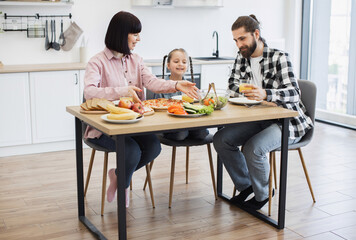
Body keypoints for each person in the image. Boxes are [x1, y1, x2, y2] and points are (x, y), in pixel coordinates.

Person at [83, 11, 199, 207]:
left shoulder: (136, 59)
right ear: (121, 34)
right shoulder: (97, 62)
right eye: (135, 34)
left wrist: (176, 85)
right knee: (132, 152)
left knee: (154, 147)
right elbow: (89, 92)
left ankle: (119, 176)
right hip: (106, 127)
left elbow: (151, 82)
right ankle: (124, 189)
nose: (138, 39)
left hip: (135, 124)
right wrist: (123, 91)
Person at [213, 15, 313, 210]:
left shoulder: (279, 57)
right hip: (258, 117)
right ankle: (248, 186)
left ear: (256, 34)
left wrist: (266, 94)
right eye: (235, 40)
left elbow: (294, 93)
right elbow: (232, 85)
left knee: (253, 148)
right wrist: (248, 93)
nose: (238, 44)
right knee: (221, 139)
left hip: (286, 121)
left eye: (242, 39)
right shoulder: (242, 58)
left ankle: (264, 194)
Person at [152, 48, 209, 141]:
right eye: (176, 61)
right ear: (168, 65)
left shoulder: (189, 85)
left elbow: (196, 105)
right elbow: (158, 111)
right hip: (170, 124)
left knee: (202, 133)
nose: (180, 64)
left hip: (188, 122)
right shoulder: (161, 85)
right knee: (181, 134)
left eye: (184, 62)